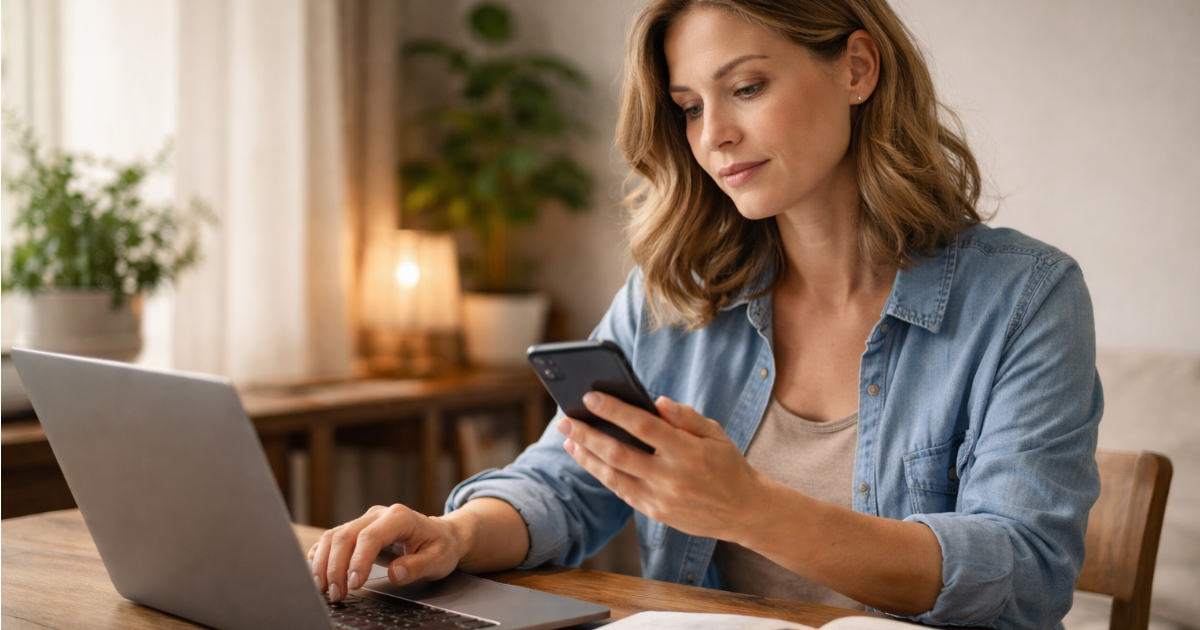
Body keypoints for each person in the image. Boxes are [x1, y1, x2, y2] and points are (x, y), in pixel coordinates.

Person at [309, 1, 1102, 628]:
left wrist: (751, 509)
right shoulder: (677, 289)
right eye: (689, 106)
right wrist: (457, 535)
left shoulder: (1025, 297)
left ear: (857, 67)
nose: (714, 136)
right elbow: (565, 481)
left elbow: (1025, 570)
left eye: (747, 88)